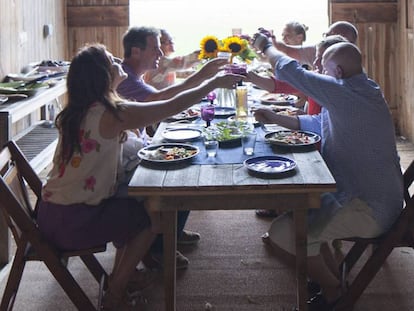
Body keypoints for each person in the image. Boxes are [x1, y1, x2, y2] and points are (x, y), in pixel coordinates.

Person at [36, 43, 242, 310]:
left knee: (135, 204)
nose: (118, 60)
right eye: (111, 59)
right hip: (73, 221)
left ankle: (125, 277)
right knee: (149, 217)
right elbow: (169, 107)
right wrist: (211, 83)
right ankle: (115, 292)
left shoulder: (78, 111)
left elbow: (157, 104)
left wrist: (204, 78)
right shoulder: (110, 114)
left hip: (50, 214)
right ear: (102, 74)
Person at [251, 33, 403, 310]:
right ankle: (336, 282)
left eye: (323, 67)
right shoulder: (364, 89)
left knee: (284, 232)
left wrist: (266, 46)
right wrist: (275, 117)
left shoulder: (344, 90)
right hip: (372, 198)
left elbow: (288, 69)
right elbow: (319, 122)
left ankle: (334, 291)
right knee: (299, 218)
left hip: (371, 209)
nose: (320, 72)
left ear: (339, 71)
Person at [117, 26, 233, 270]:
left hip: (131, 151)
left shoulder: (132, 75)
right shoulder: (125, 78)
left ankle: (172, 231)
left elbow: (163, 100)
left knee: (185, 153)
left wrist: (204, 76)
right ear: (136, 51)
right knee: (180, 167)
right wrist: (205, 78)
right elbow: (163, 101)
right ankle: (159, 247)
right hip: (122, 166)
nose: (160, 52)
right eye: (155, 47)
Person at [261, 20, 358, 68]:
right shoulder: (317, 50)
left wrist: (266, 46)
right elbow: (286, 50)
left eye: (332, 38)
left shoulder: (349, 74)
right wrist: (271, 41)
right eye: (326, 35)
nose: (316, 63)